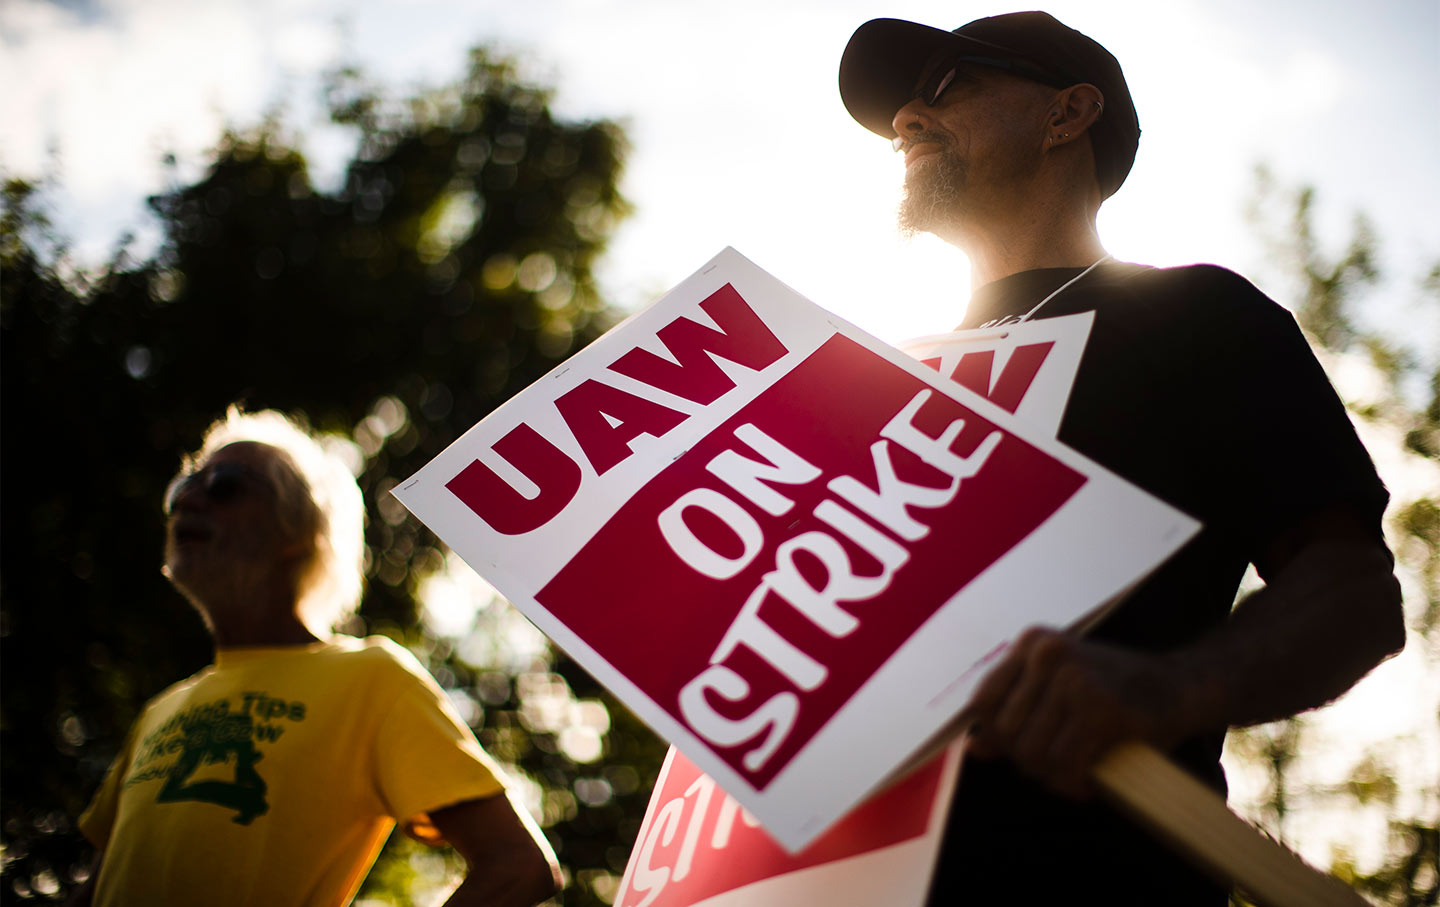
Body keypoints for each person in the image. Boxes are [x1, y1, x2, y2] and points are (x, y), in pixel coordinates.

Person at [837, 12, 1404, 905]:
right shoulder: (872, 378)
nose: (907, 119)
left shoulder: (1195, 319)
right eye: (902, 108)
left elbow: (1356, 595)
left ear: (1068, 114)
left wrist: (1171, 686)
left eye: (948, 86)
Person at [70, 408, 561, 906]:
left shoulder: (372, 680)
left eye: (225, 484)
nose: (189, 500)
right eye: (182, 487)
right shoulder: (159, 710)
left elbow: (517, 867)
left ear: (297, 528)